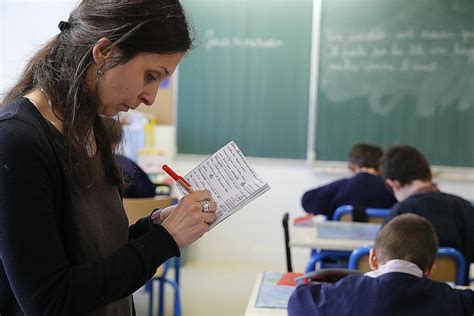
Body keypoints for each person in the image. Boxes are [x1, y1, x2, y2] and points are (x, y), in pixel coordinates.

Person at [0, 1, 218, 315]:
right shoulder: (17, 142)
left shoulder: (91, 128)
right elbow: (51, 300)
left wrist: (154, 226)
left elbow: (94, 257)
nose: (150, 97)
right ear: (105, 52)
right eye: (150, 76)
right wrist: (163, 241)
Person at [288, 213, 474, 316]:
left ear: (372, 259)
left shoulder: (347, 292)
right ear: (431, 269)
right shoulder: (450, 300)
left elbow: (298, 301)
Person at [380, 144, 474, 284]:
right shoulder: (465, 208)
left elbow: (384, 265)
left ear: (393, 184)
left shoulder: (398, 214)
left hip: (408, 300)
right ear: (429, 174)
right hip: (455, 300)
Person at [301, 143, 396, 219]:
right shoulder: (393, 191)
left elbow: (307, 201)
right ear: (381, 167)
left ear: (351, 167)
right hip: (379, 242)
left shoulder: (341, 187)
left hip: (338, 241)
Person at [102, 117, 157, 198]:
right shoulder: (126, 164)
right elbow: (149, 192)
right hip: (137, 209)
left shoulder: (84, 166)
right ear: (117, 141)